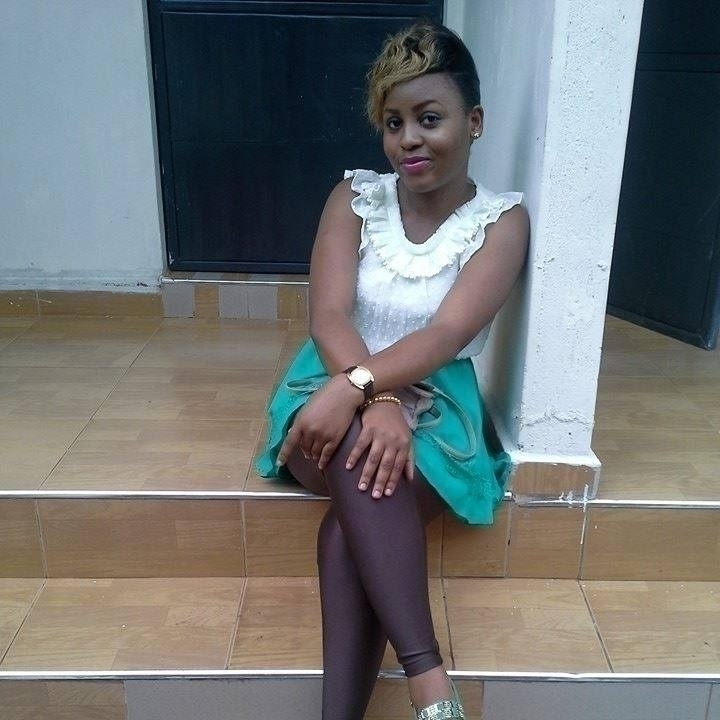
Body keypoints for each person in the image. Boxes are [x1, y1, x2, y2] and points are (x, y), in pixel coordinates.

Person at [256, 20, 529, 720]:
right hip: (330, 381)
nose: (409, 138)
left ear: (474, 122)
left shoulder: (500, 222)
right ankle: (430, 683)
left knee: (351, 531)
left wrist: (367, 393)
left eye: (429, 119)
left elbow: (447, 333)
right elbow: (329, 316)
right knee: (358, 446)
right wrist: (369, 396)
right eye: (394, 122)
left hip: (438, 405)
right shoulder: (353, 200)